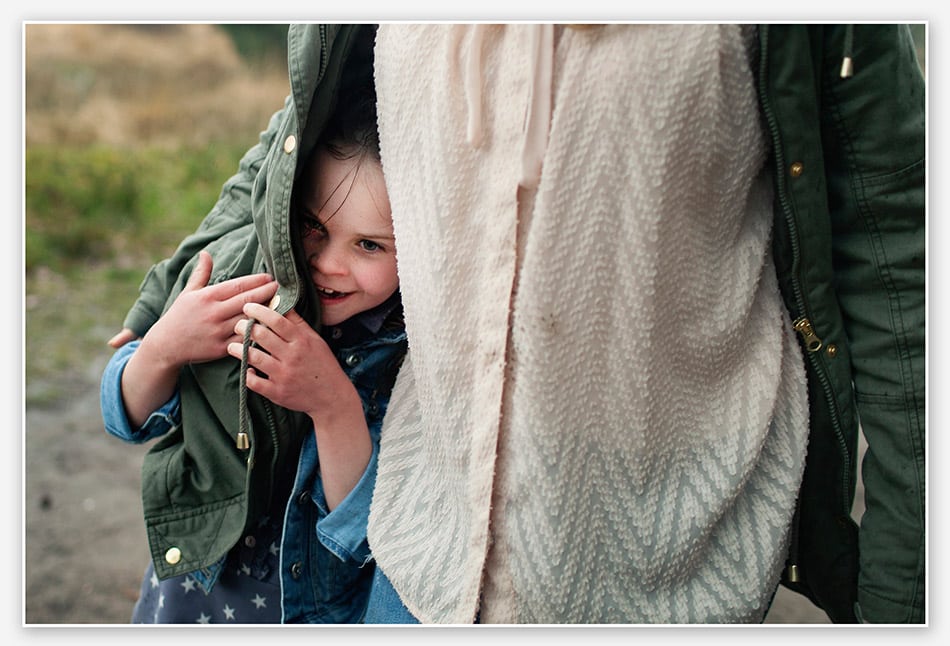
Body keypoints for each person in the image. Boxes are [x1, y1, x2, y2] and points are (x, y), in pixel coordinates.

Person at [109, 23, 925, 624]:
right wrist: (164, 312)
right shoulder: (339, 332)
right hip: (415, 564)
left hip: (665, 570)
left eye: (366, 244)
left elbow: (898, 256)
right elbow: (299, 116)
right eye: (327, 238)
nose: (332, 262)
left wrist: (907, 607)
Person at [100, 58, 407, 623]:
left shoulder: (403, 354)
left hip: (297, 612)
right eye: (314, 226)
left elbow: (361, 534)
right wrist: (165, 344)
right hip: (189, 597)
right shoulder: (248, 287)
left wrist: (333, 405)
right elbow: (124, 413)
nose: (329, 265)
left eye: (370, 246)